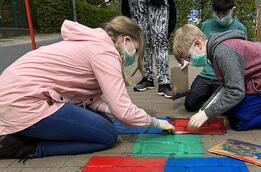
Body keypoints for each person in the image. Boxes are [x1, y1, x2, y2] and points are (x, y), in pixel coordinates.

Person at [0, 16, 174, 159]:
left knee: (105, 122)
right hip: (24, 102)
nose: (133, 55)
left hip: (14, 96)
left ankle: (23, 132)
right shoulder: (105, 52)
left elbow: (90, 99)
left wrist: (115, 110)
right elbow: (125, 113)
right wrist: (156, 123)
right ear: (126, 40)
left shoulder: (94, 43)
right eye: (135, 50)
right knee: (106, 136)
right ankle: (26, 147)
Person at [173, 24, 261, 131]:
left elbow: (235, 92)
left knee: (239, 121)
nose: (191, 63)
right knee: (231, 111)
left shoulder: (222, 53)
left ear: (198, 44)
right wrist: (204, 111)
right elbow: (226, 86)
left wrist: (206, 114)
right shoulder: (215, 50)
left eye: (189, 57)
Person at [184, 0, 247, 112]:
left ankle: (214, 101)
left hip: (225, 77)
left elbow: (243, 56)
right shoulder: (205, 25)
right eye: (218, 14)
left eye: (225, 13)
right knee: (190, 104)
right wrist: (189, 59)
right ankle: (212, 100)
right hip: (207, 75)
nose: (221, 17)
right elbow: (198, 48)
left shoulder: (240, 28)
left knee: (229, 109)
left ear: (232, 9)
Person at [125, 0, 175, 98]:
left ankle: (164, 82)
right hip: (135, 3)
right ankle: (147, 78)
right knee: (142, 41)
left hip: (158, 3)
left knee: (160, 39)